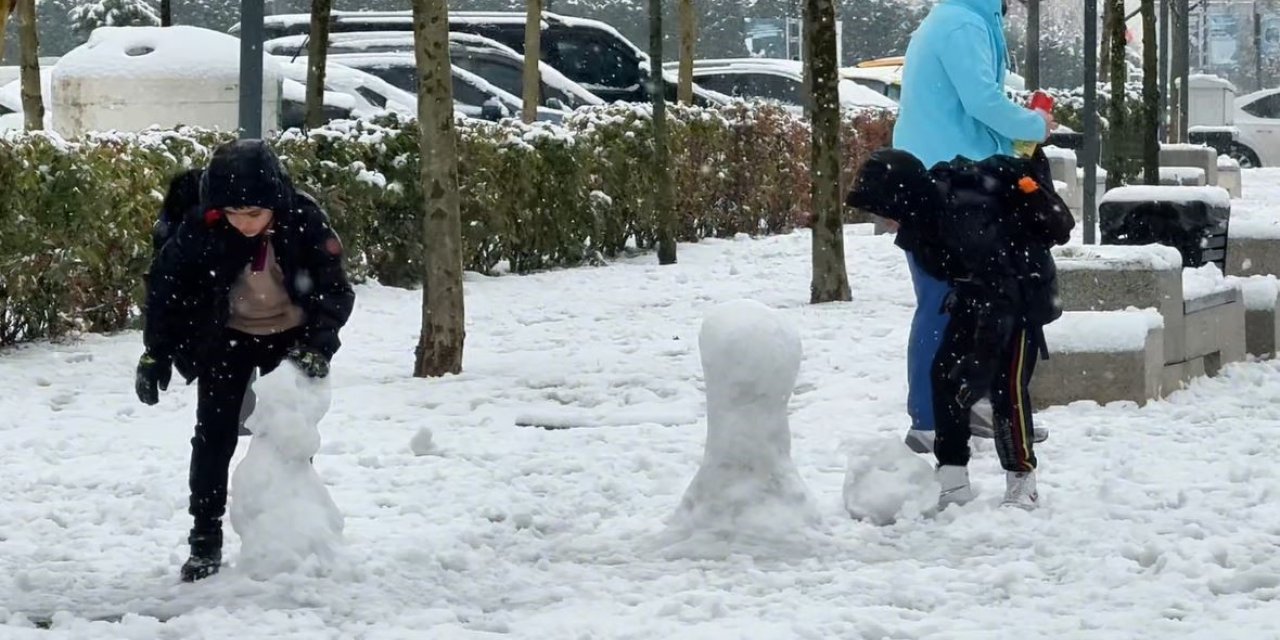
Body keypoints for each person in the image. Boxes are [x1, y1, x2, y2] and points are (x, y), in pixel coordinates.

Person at [135, 140, 355, 582]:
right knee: (213, 436)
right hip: (227, 336)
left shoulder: (304, 220)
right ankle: (205, 536)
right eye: (235, 214)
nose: (245, 224)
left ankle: (293, 528)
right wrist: (156, 351)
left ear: (274, 203)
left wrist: (316, 347)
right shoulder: (204, 227)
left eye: (254, 214)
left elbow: (335, 291)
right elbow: (166, 288)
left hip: (290, 340)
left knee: (288, 437)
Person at [847, 147, 1073, 509]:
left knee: (1006, 389)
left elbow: (1002, 293)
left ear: (900, 198)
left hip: (1022, 294)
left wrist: (981, 362)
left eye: (883, 210)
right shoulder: (923, 218)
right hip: (977, 296)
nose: (883, 220)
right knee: (945, 378)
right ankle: (952, 480)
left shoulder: (962, 215)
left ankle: (1022, 480)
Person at [891, 0, 1056, 454]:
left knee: (972, 300)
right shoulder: (962, 22)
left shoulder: (968, 18)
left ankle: (969, 401)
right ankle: (928, 418)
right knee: (944, 301)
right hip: (944, 185)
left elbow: (969, 106)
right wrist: (1034, 124)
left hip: (951, 180)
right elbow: (981, 100)